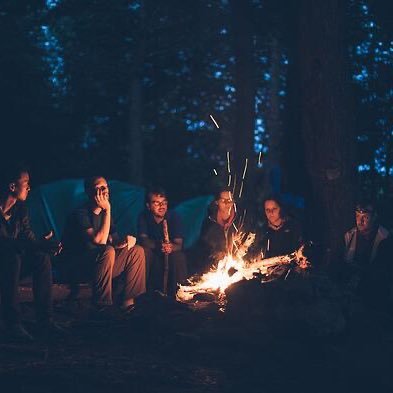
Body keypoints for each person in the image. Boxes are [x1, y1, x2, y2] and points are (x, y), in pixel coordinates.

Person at [61, 176, 146, 313]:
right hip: (79, 267)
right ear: (89, 192)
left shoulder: (106, 215)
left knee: (137, 251)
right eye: (98, 188)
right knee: (107, 251)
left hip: (102, 265)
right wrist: (107, 210)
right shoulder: (80, 214)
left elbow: (114, 240)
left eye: (105, 187)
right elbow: (99, 241)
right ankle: (102, 306)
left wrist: (125, 242)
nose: (103, 191)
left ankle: (129, 303)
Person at [0, 165, 62, 341]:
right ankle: (13, 323)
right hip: (4, 262)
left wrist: (43, 244)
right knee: (12, 255)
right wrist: (32, 245)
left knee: (41, 257)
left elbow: (28, 238)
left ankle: (45, 320)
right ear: (12, 186)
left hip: (13, 264)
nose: (29, 187)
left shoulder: (20, 210)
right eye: (26, 182)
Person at [137, 187, 187, 296]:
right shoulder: (144, 217)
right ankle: (143, 294)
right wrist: (159, 245)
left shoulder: (174, 217)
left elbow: (179, 244)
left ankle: (179, 294)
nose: (162, 206)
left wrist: (170, 247)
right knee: (143, 252)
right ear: (148, 206)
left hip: (170, 252)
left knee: (178, 257)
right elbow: (143, 240)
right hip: (153, 250)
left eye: (164, 203)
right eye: (156, 203)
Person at [341, 199, 392, 304]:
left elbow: (382, 271)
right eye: (357, 216)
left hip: (374, 293)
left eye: (366, 217)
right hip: (350, 288)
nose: (360, 221)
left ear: (374, 217)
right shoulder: (349, 236)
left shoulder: (385, 238)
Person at [195, 187, 251, 271]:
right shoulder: (209, 222)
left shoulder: (241, 221)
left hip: (238, 266)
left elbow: (249, 242)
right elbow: (204, 248)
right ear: (217, 202)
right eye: (223, 200)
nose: (227, 203)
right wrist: (218, 254)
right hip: (215, 267)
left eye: (230, 200)